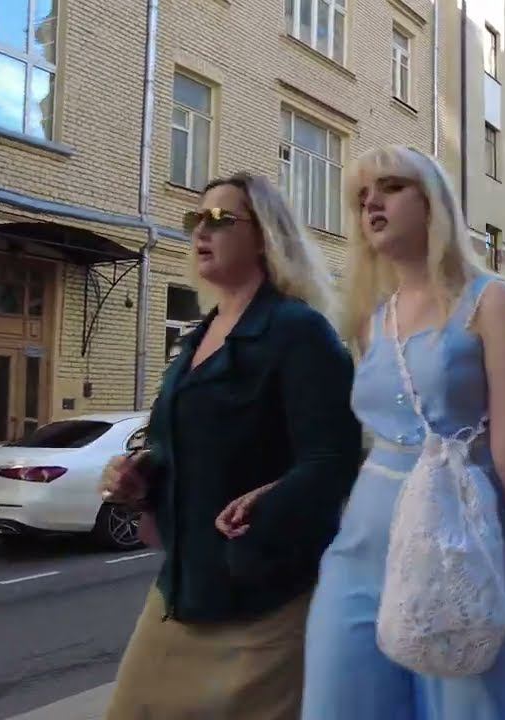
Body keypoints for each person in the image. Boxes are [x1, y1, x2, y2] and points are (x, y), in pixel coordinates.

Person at [302, 146, 505, 718]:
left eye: (390, 187)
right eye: (361, 197)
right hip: (362, 551)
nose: (371, 203)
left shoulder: (492, 301)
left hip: (462, 550)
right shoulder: (370, 318)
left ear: (432, 201)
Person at [100, 173, 362, 719]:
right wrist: (138, 480)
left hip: (268, 603)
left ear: (265, 237)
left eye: (220, 219)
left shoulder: (298, 331)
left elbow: (334, 461)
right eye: (195, 218)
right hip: (182, 593)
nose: (201, 230)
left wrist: (271, 500)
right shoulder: (197, 337)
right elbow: (179, 448)